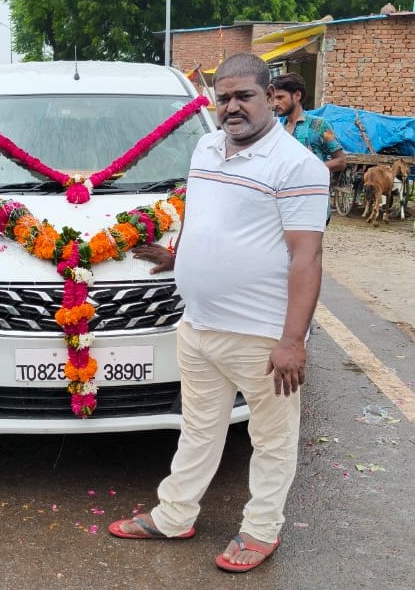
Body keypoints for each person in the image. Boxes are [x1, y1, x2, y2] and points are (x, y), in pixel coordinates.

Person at [109, 54, 330, 574]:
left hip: (262, 337)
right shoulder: (207, 146)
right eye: (223, 97)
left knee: (271, 440)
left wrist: (292, 341)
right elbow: (202, 213)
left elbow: (307, 256)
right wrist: (180, 256)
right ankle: (174, 515)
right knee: (198, 428)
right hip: (198, 324)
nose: (232, 107)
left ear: (270, 96)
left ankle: (261, 531)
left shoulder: (298, 166)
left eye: (244, 96)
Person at [271, 72, 346, 223]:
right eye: (273, 98)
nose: (275, 103)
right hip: (284, 203)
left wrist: (312, 168)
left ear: (297, 96)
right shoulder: (276, 128)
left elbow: (341, 161)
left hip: (312, 203)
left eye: (280, 97)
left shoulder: (320, 125)